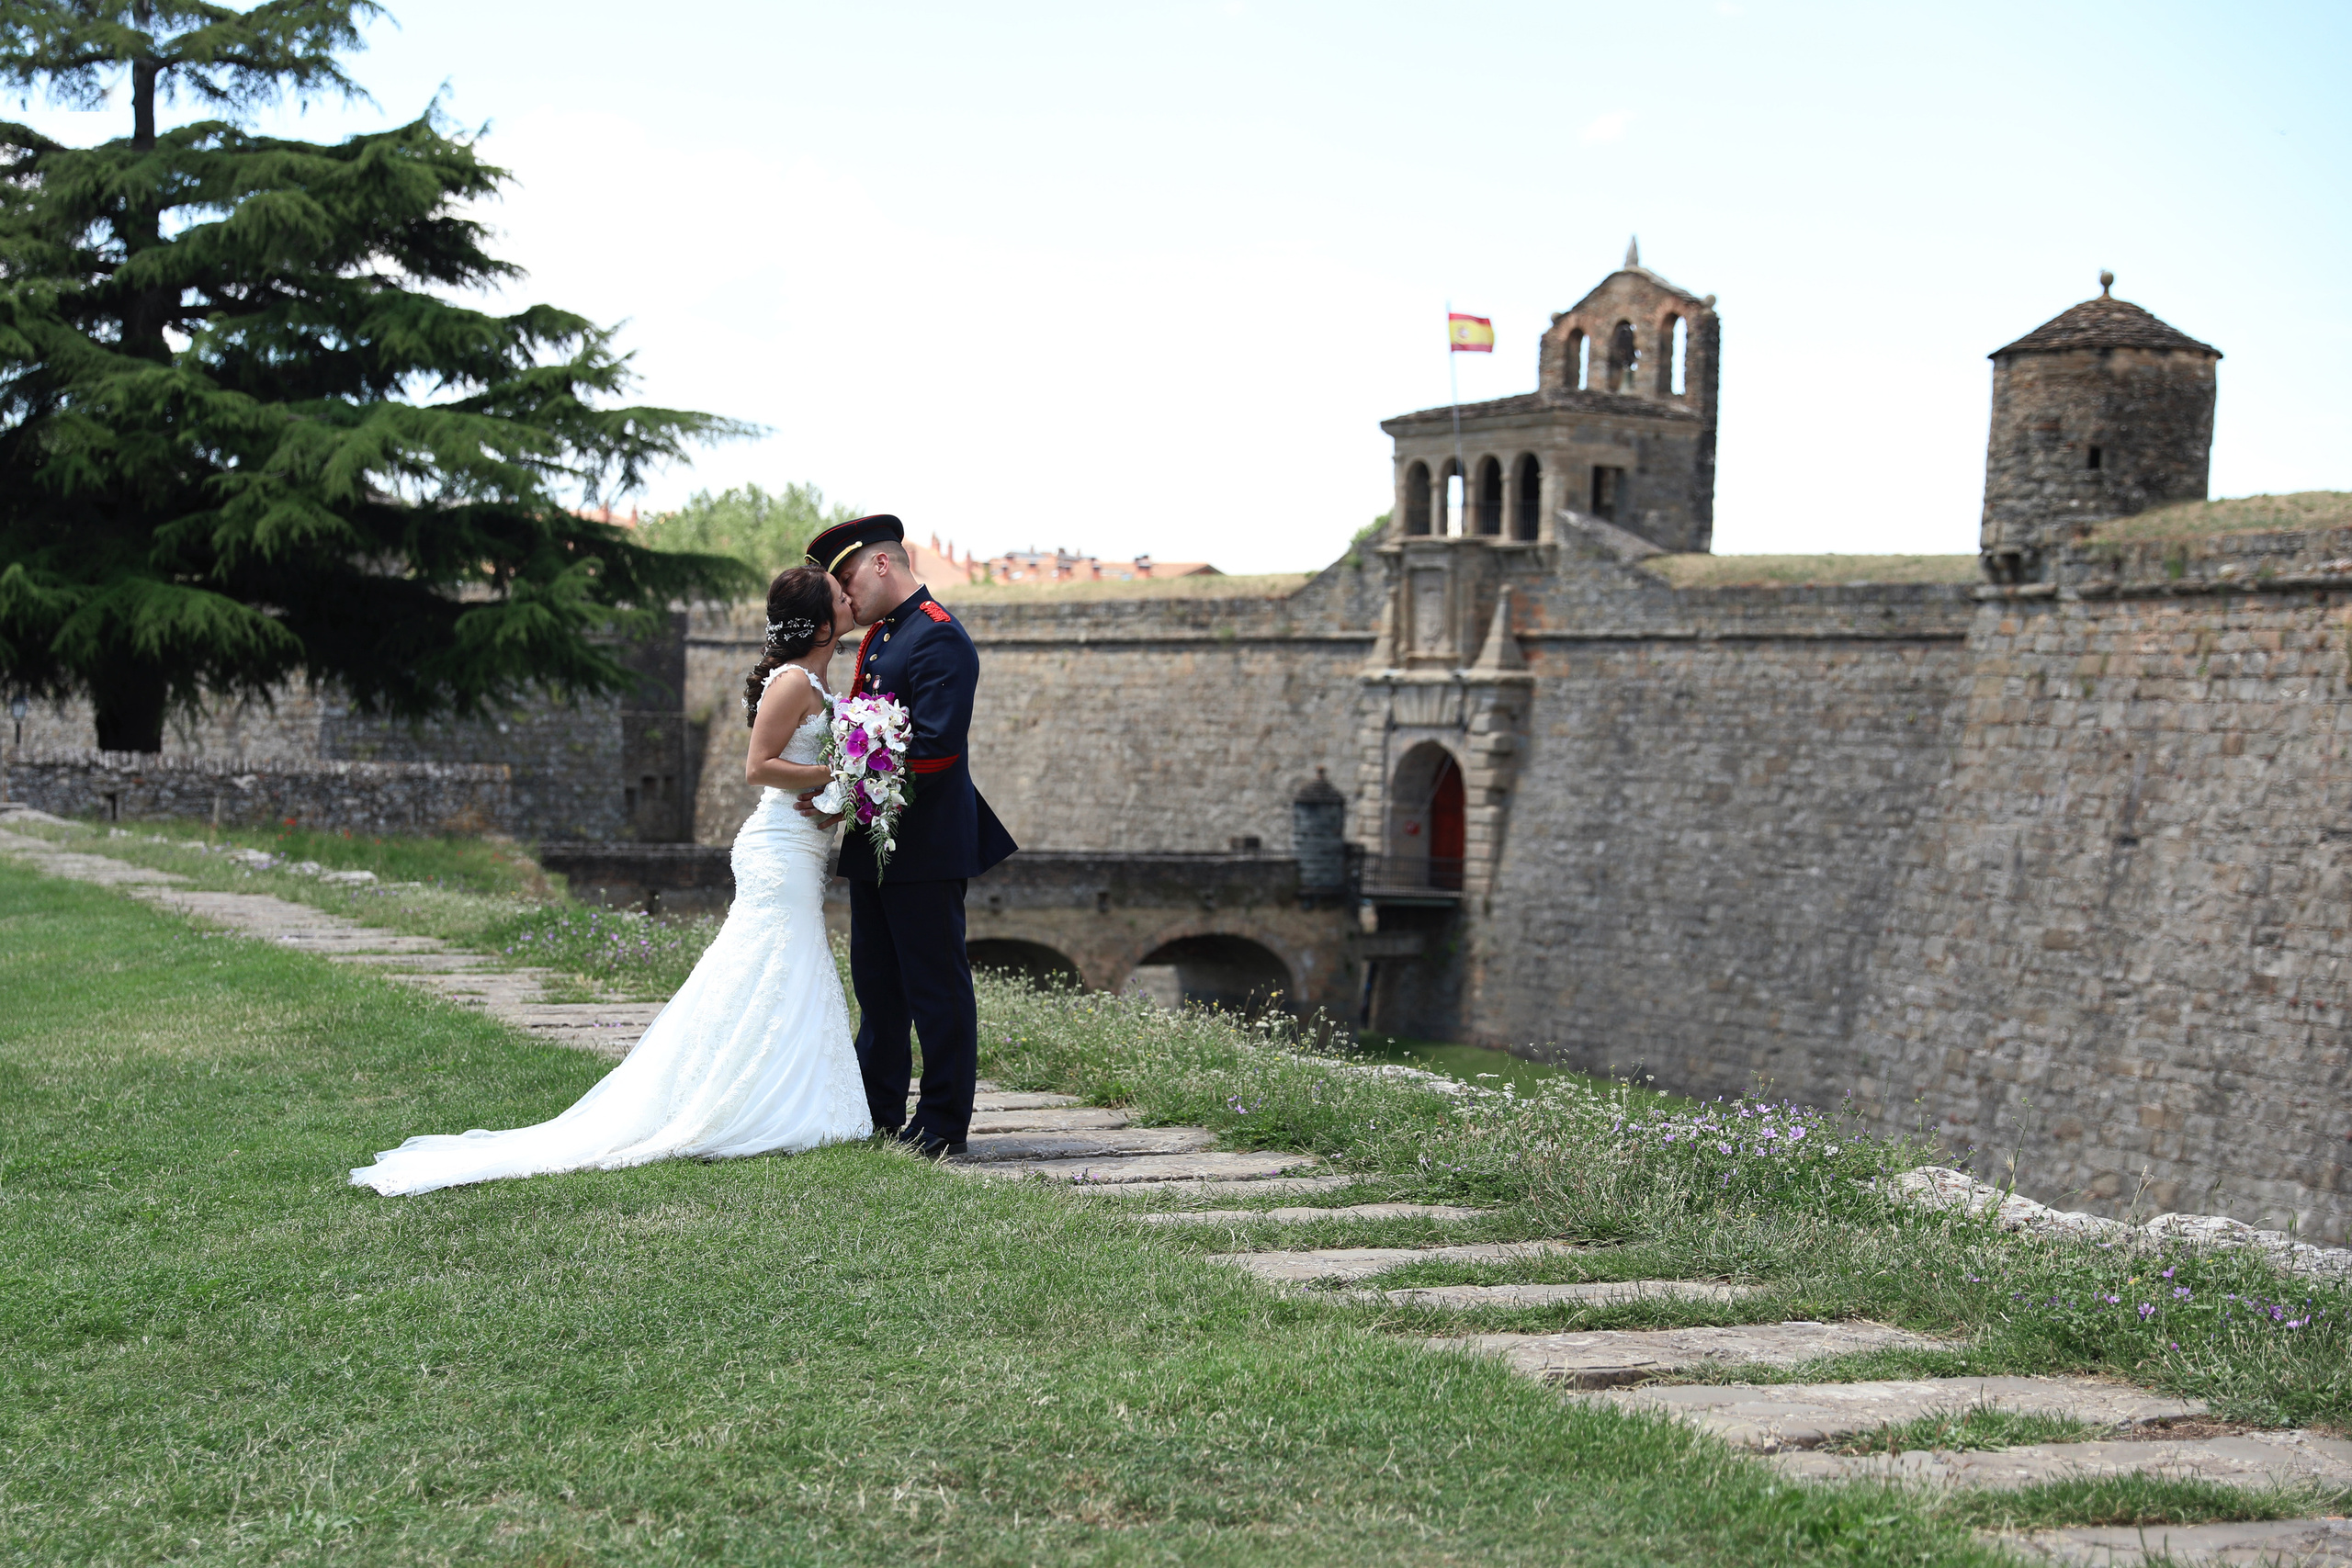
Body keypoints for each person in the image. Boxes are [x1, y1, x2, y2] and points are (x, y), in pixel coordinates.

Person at [349, 568, 873, 1195]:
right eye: (842, 598)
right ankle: (773, 1102)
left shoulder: (814, 679)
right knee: (784, 961)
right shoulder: (792, 683)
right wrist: (839, 769)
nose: (852, 600)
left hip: (803, 846)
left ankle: (785, 1093)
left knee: (775, 968)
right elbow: (758, 767)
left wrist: (843, 791)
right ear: (820, 623)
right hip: (778, 851)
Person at [797, 514, 1016, 1157]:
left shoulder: (939, 637)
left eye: (846, 577)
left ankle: (945, 1122)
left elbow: (937, 747)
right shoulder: (888, 636)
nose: (843, 594)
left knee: (935, 988)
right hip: (876, 840)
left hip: (923, 843)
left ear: (882, 564)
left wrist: (846, 778)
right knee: (879, 985)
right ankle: (879, 1110)